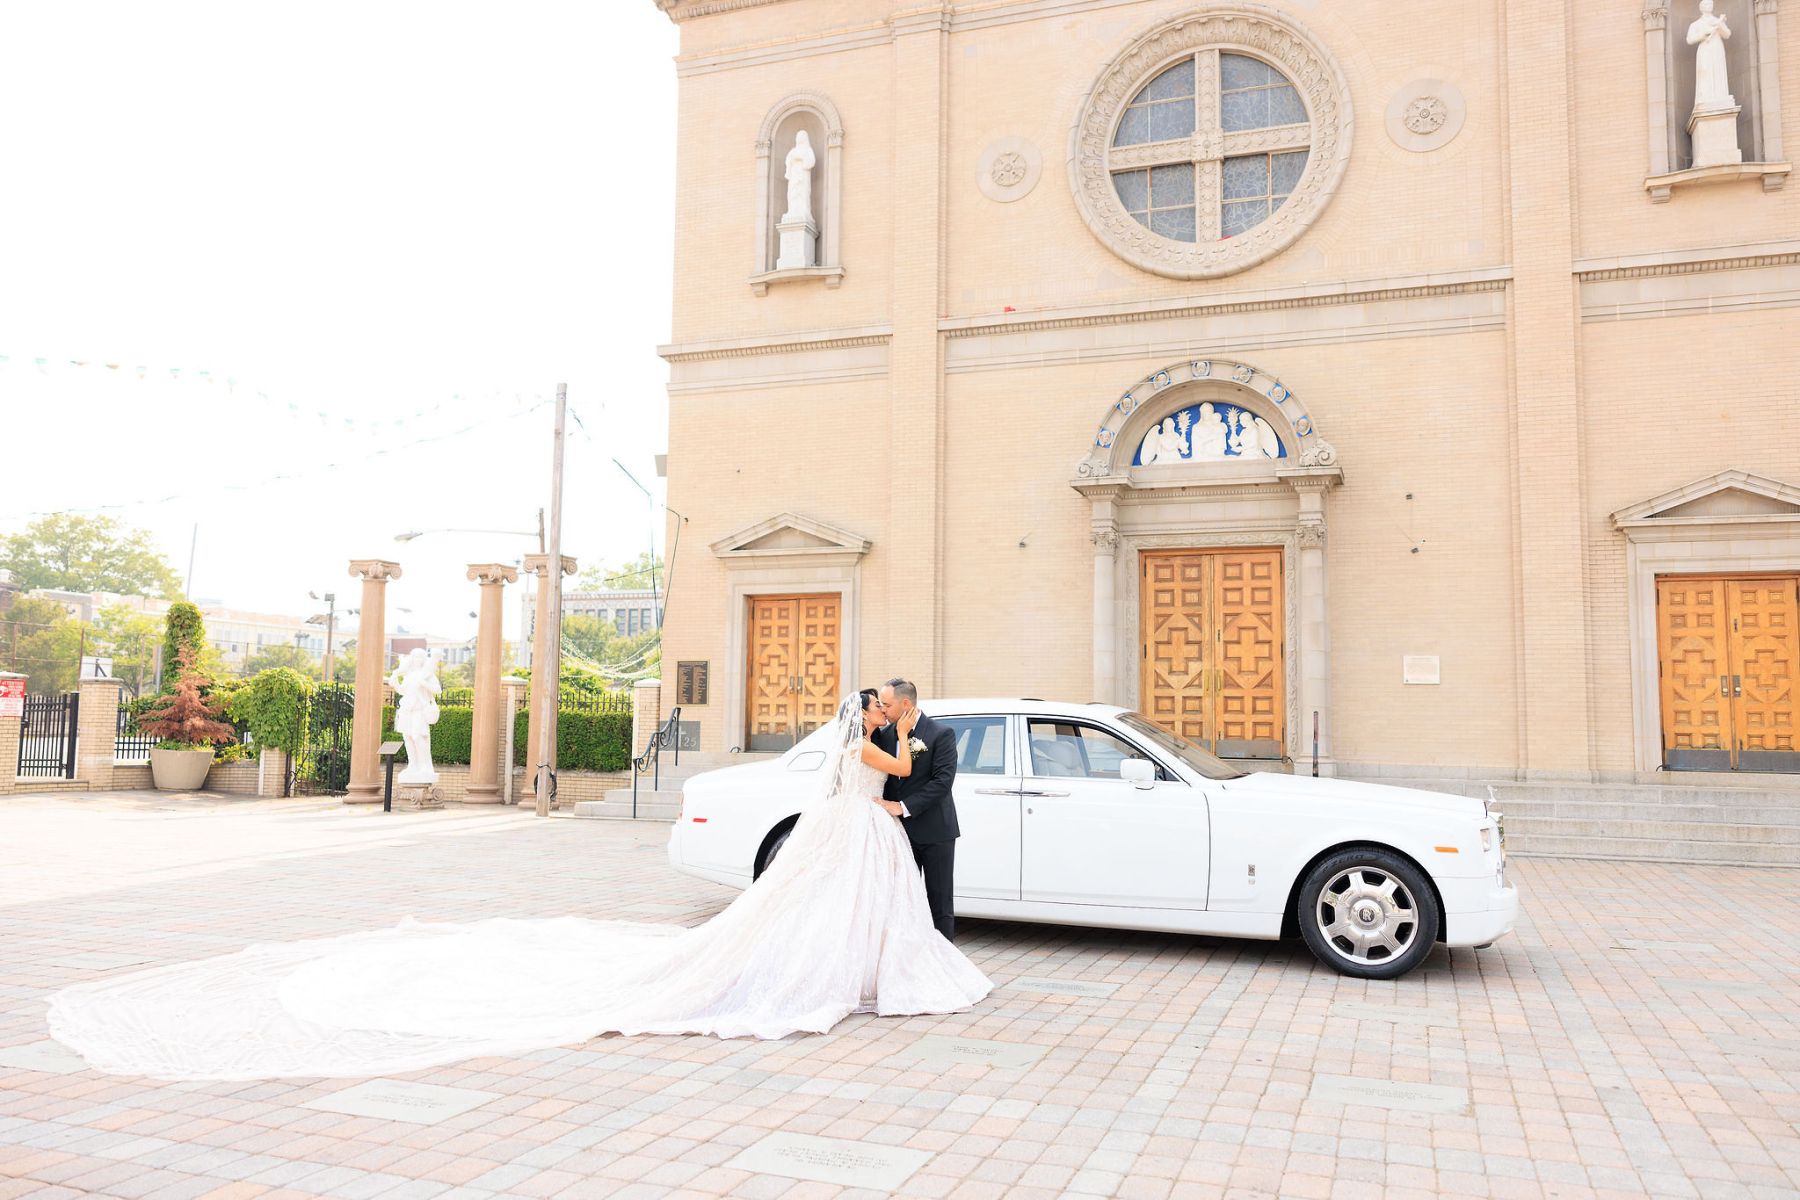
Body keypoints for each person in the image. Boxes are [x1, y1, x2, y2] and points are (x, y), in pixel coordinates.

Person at [45, 691, 991, 1081]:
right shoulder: (873, 739)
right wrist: (898, 732)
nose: (886, 709)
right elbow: (897, 764)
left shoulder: (874, 737)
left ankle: (867, 970)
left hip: (863, 834)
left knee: (853, 908)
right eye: (879, 704)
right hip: (856, 827)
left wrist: (903, 736)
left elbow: (903, 769)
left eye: (888, 703)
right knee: (812, 910)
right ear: (868, 712)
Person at [870, 679, 960, 940]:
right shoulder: (884, 735)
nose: (883, 709)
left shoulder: (940, 734)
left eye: (887, 704)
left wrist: (902, 807)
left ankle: (944, 962)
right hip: (897, 834)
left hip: (935, 832)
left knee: (939, 901)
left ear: (905, 703)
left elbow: (942, 782)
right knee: (900, 901)